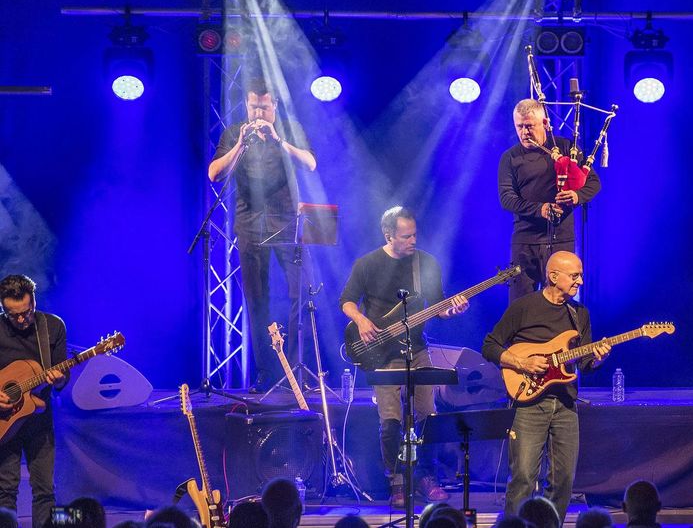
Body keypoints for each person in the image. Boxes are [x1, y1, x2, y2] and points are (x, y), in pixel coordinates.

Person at [339, 206, 467, 506]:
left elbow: (439, 306)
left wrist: (453, 310)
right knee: (391, 420)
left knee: (426, 415)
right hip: (381, 354)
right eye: (405, 236)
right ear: (389, 236)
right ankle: (396, 480)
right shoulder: (367, 263)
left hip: (417, 349)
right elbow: (346, 301)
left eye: (414, 235)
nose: (412, 241)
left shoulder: (425, 263)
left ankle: (424, 475)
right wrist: (361, 320)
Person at [208, 77, 317, 392]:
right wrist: (241, 143)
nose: (258, 112)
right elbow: (214, 173)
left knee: (301, 294)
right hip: (249, 224)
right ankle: (266, 373)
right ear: (246, 104)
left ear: (275, 106)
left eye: (264, 106)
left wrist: (279, 140)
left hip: (287, 223)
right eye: (253, 105)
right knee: (257, 301)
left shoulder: (288, 128)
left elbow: (311, 163)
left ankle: (295, 369)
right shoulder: (235, 133)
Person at [482, 251, 610, 516]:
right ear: (553, 276)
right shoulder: (523, 307)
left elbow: (585, 363)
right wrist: (522, 364)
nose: (580, 282)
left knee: (563, 480)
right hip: (529, 404)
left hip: (565, 404)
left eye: (581, 276)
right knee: (524, 478)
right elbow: (490, 346)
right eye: (575, 276)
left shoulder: (579, 314)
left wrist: (597, 359)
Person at [498, 98, 601, 301]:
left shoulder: (566, 148)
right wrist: (540, 209)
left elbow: (594, 183)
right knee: (521, 304)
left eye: (529, 126)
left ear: (545, 123)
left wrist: (576, 196)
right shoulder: (510, 158)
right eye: (520, 126)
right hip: (525, 242)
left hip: (561, 239)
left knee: (560, 302)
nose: (524, 133)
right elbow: (506, 198)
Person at [0, 274, 67, 528]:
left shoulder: (52, 327)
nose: (20, 319)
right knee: (5, 490)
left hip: (40, 421)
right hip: (4, 423)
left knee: (44, 489)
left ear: (34, 302)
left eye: (26, 312)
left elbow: (62, 381)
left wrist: (58, 378)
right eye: (12, 314)